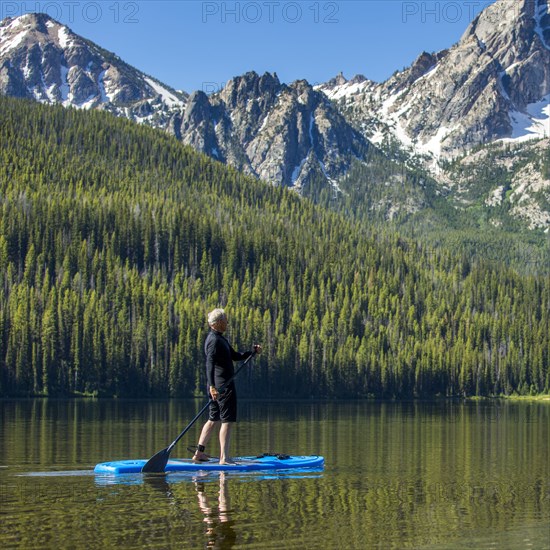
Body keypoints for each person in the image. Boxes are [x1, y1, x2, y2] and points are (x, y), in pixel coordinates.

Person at [193, 308, 261, 465]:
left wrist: (252, 352)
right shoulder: (214, 341)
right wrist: (212, 386)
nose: (227, 323)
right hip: (222, 387)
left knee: (212, 419)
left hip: (218, 387)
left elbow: (235, 356)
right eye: (224, 321)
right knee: (227, 421)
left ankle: (199, 453)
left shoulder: (219, 339)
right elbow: (209, 363)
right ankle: (224, 458)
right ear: (216, 324)